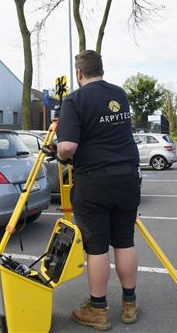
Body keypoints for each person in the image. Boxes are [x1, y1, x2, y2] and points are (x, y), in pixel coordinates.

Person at [56, 50, 141, 331]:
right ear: (101, 69)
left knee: (96, 247)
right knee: (125, 241)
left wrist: (57, 151)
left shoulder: (75, 99)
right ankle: (129, 304)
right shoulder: (119, 94)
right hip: (128, 177)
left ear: (79, 74)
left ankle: (98, 309)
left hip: (94, 181)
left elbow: (67, 147)